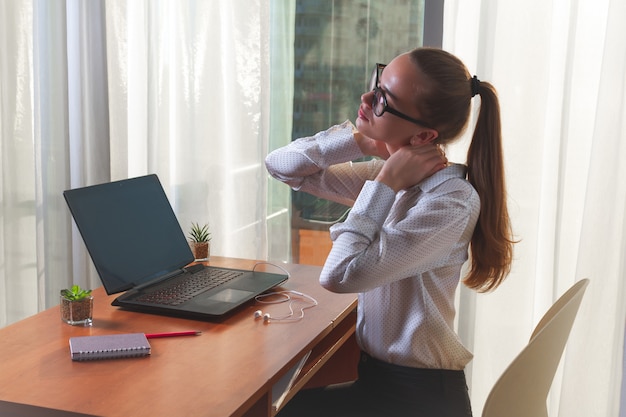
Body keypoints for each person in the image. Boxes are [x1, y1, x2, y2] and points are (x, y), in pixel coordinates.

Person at [265, 47, 515, 417]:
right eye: (376, 84)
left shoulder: (449, 203)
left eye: (383, 99)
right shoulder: (403, 180)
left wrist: (384, 181)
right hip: (378, 384)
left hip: (420, 401)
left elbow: (339, 275)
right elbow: (281, 165)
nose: (366, 99)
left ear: (424, 136)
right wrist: (358, 141)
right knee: (280, 408)